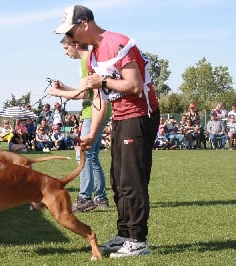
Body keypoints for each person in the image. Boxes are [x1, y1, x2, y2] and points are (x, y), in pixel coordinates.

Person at [55, 5, 159, 257]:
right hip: (121, 117)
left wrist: (103, 80)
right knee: (118, 178)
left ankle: (138, 240)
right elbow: (101, 98)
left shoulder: (117, 42)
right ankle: (124, 234)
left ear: (84, 24)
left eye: (71, 31)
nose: (70, 39)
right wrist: (94, 133)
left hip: (140, 114)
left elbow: (133, 85)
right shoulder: (92, 55)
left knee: (132, 179)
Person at [49, 35, 110, 212]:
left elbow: (83, 95)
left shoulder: (86, 61)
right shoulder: (91, 59)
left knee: (83, 155)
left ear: (75, 45)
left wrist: (56, 93)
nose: (66, 53)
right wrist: (64, 87)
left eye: (66, 48)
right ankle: (100, 198)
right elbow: (85, 91)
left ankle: (85, 198)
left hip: (93, 112)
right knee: (93, 156)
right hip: (99, 110)